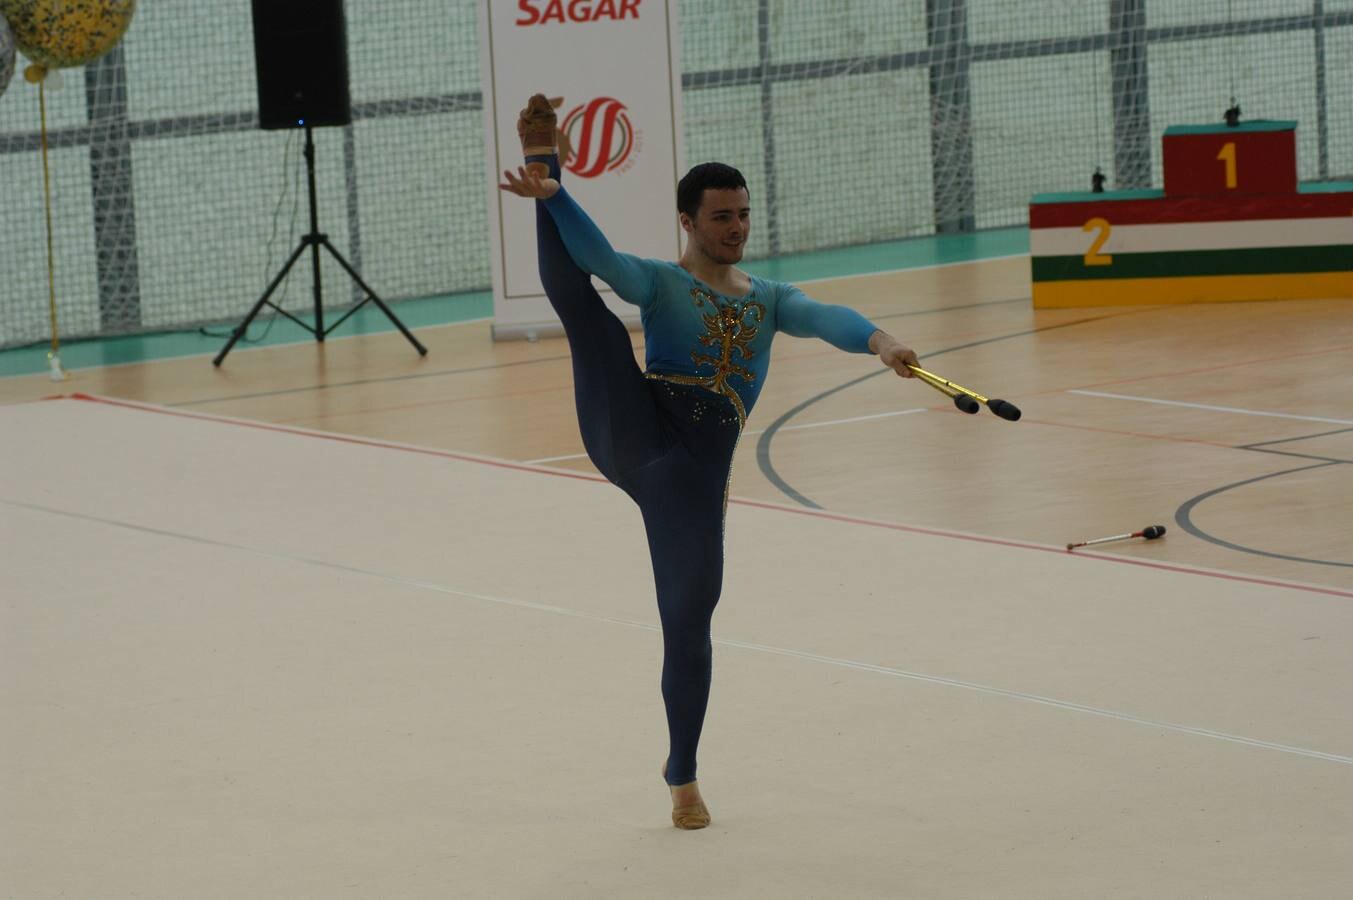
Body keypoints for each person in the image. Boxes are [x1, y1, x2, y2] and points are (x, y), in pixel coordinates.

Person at [499, 94, 919, 830]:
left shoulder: (770, 299)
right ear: (687, 222)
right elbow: (596, 260)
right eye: (720, 216)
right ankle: (544, 156)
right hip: (634, 429)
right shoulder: (662, 283)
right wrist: (556, 195)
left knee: (689, 619)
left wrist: (880, 341)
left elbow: (829, 319)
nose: (736, 228)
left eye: (743, 214)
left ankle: (681, 774)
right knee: (584, 308)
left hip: (688, 478)